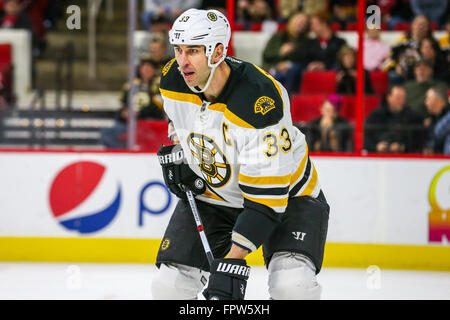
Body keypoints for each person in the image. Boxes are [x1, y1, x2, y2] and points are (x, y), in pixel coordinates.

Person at [152, 9, 330, 300]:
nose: (182, 61)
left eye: (193, 51)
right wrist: (180, 149)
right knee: (167, 287)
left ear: (218, 51)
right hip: (215, 196)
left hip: (288, 197)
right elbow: (177, 120)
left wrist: (232, 261)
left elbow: (265, 201)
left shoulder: (260, 102)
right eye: (179, 49)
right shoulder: (173, 78)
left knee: (292, 288)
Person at [100, 57, 166, 149]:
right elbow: (123, 104)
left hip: (149, 124)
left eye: (149, 67)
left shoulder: (160, 84)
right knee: (107, 133)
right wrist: (124, 112)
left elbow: (159, 107)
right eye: (144, 67)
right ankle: (126, 154)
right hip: (131, 123)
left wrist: (139, 113)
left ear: (154, 70)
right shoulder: (131, 84)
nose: (146, 70)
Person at [363, 85, 423, 153]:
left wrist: (403, 147)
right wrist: (376, 146)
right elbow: (366, 137)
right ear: (389, 98)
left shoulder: (413, 117)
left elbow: (419, 140)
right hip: (379, 157)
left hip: (405, 158)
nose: (401, 101)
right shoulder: (376, 115)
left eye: (403, 98)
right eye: (398, 98)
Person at [262, 12, 309, 95]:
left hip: (294, 71)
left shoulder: (306, 41)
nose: (300, 24)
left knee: (294, 69)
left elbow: (305, 59)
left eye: (303, 23)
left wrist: (289, 64)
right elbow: (266, 54)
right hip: (275, 67)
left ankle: (289, 99)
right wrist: (280, 52)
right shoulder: (278, 36)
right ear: (291, 21)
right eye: (298, 20)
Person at [422, 87, 450, 154]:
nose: (425, 102)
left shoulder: (447, 118)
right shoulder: (430, 120)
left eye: (428, 99)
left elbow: (437, 132)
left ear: (439, 101)